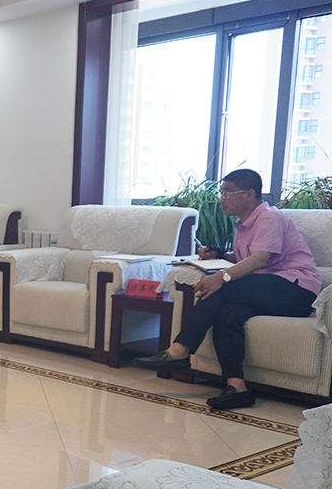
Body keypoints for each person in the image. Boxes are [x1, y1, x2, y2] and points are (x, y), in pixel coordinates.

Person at [134, 169, 320, 410]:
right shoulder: (244, 224)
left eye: (228, 193)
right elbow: (245, 257)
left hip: (296, 290)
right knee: (227, 315)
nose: (222, 199)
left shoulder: (269, 218)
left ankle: (181, 350)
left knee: (219, 288)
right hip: (267, 289)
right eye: (222, 193)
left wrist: (221, 277)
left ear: (249, 194)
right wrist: (220, 254)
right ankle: (237, 388)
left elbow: (260, 259)